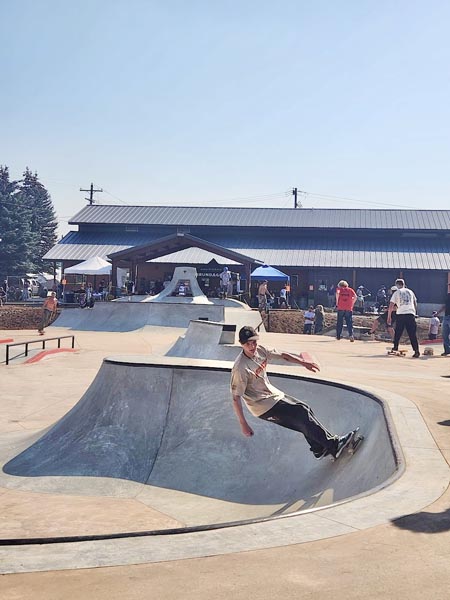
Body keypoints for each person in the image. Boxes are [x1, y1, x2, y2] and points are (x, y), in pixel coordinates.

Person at [230, 326, 359, 460]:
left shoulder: (260, 350)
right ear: (241, 344)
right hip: (262, 406)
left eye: (254, 342)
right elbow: (235, 397)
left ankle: (319, 449)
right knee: (301, 413)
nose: (252, 347)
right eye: (248, 344)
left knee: (305, 409)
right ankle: (334, 445)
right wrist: (243, 424)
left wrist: (303, 362)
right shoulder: (240, 368)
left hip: (273, 396)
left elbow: (283, 356)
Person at [387, 278, 420, 357]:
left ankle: (395, 347)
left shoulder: (397, 292)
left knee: (398, 332)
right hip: (410, 314)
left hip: (401, 314)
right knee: (412, 334)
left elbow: (391, 305)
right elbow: (415, 302)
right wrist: (415, 312)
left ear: (396, 285)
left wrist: (389, 316)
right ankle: (416, 351)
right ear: (404, 284)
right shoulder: (410, 291)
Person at [435, 283, 450, 355]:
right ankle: (447, 350)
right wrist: (438, 312)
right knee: (444, 334)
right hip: (446, 317)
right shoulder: (448, 296)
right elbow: (444, 306)